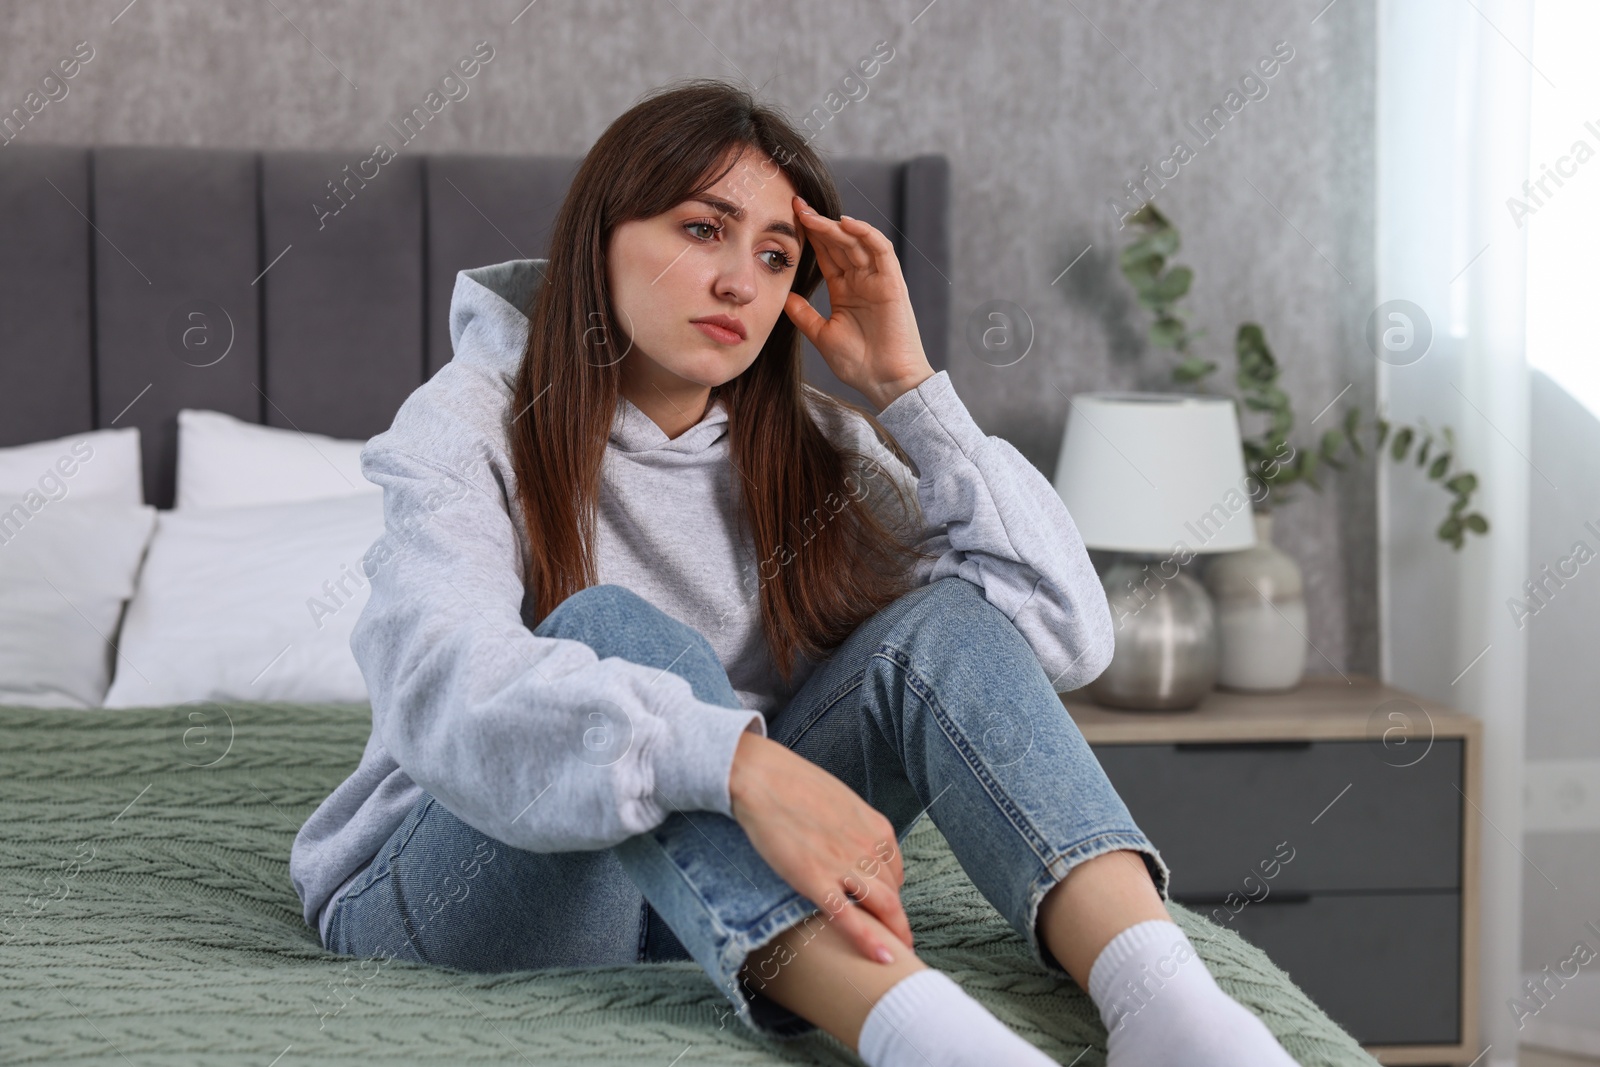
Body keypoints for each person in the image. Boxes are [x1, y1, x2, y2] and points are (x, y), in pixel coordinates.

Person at [290, 78, 1299, 1067]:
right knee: (615, 629)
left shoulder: (821, 449)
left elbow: (1063, 632)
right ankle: (913, 1029)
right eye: (701, 230)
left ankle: (1164, 1002)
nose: (740, 280)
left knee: (942, 619)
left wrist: (911, 394)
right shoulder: (469, 418)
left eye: (776, 257)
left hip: (719, 901)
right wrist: (732, 759)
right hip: (467, 893)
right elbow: (441, 680)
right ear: (599, 239)